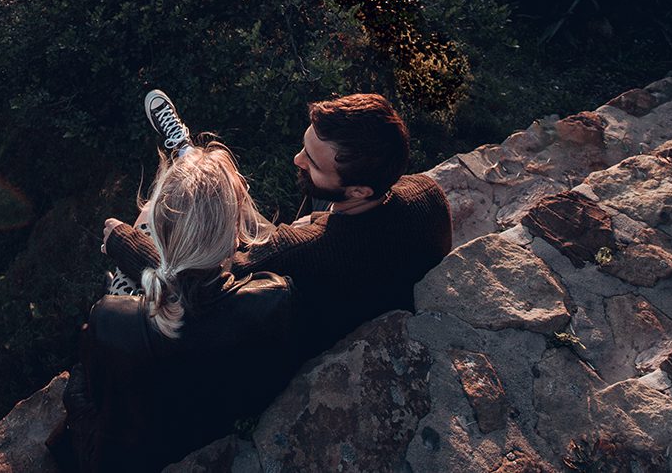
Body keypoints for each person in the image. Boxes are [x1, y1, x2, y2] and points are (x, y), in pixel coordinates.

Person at [105, 90, 452, 366]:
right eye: (306, 146)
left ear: (359, 191)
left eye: (312, 162)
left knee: (155, 214)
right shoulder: (427, 195)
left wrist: (124, 241)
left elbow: (192, 283)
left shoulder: (299, 251)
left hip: (295, 340)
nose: (297, 159)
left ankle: (188, 158)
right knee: (235, 206)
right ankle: (189, 157)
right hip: (366, 278)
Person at [61, 139, 295, 473]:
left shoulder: (111, 318)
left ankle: (128, 284)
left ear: (157, 236)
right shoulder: (272, 298)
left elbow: (93, 396)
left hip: (127, 455)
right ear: (234, 237)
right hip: (213, 433)